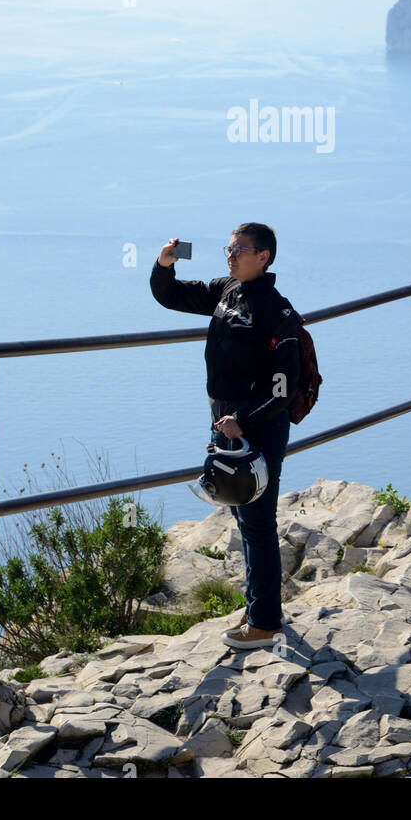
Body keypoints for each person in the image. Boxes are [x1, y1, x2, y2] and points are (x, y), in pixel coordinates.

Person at [150, 222, 301, 650]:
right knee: (242, 516)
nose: (230, 255)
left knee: (256, 522)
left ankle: (266, 623)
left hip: (258, 426)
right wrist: (165, 265)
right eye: (228, 248)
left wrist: (244, 420)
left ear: (264, 257)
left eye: (240, 250)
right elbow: (172, 296)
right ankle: (260, 608)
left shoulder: (277, 310)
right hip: (226, 421)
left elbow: (283, 385)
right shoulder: (226, 290)